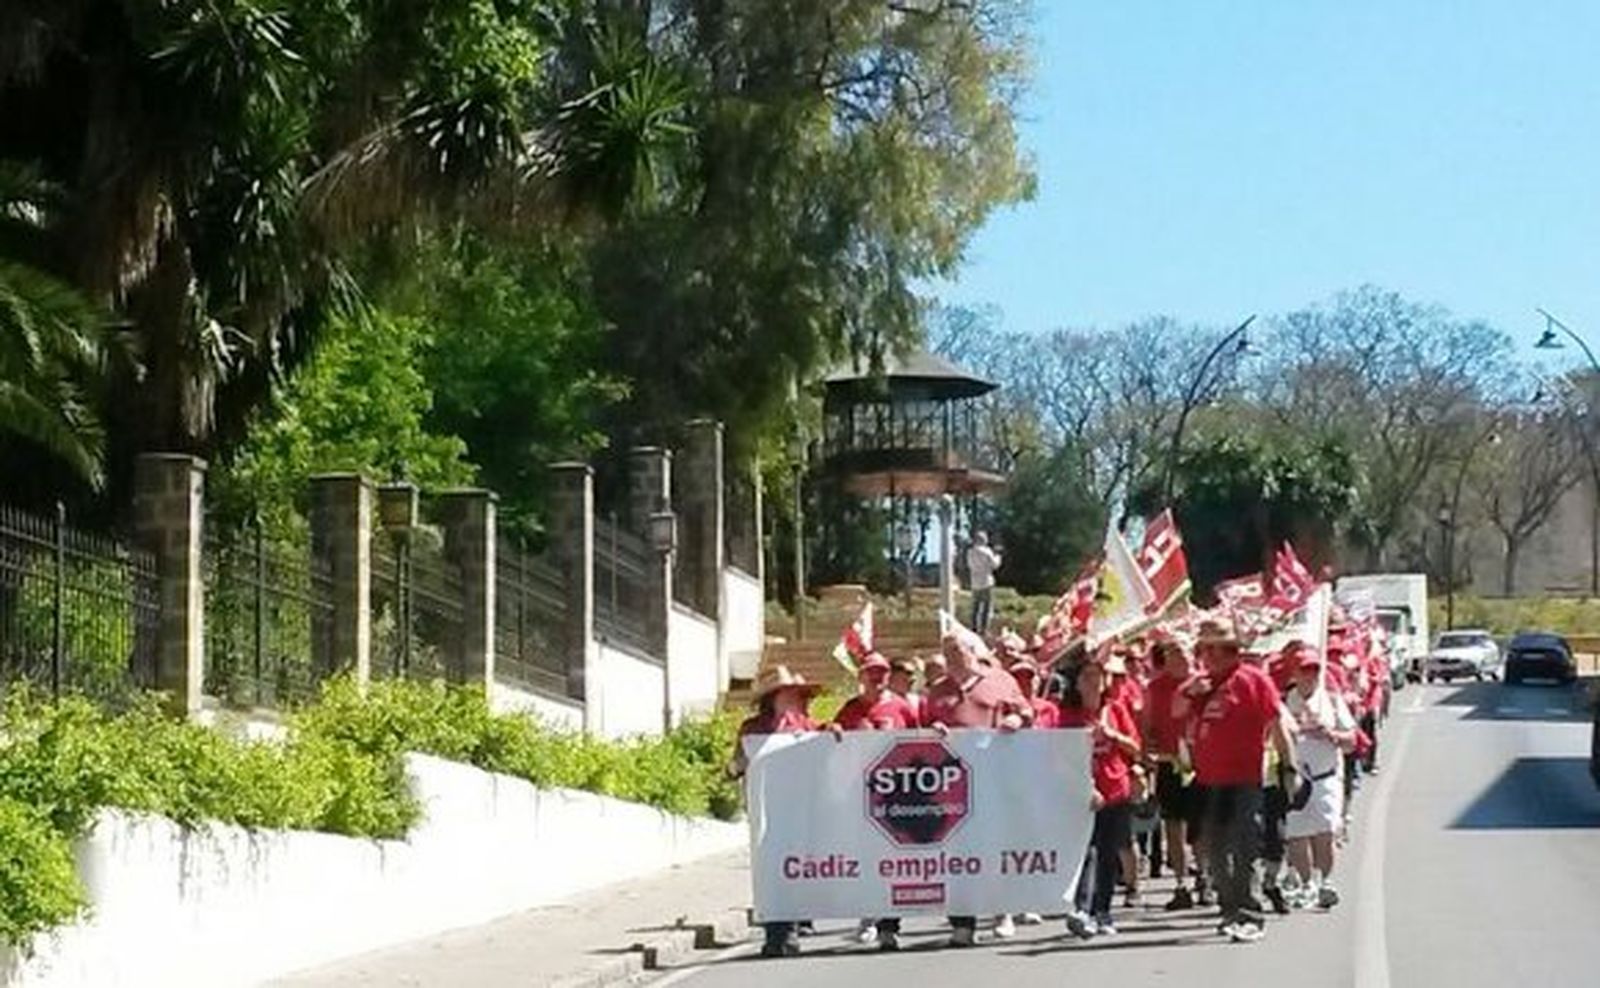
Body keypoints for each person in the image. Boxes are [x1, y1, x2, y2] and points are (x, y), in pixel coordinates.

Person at [1176, 618, 1298, 944]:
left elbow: (1277, 725)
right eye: (1209, 649)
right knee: (1215, 851)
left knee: (1245, 847)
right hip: (1207, 779)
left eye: (1224, 649)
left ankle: (1249, 913)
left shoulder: (1254, 680)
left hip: (1245, 779)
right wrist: (1190, 692)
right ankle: (1229, 910)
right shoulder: (1198, 685)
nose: (1215, 656)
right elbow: (1175, 711)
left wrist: (1290, 767)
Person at [924, 629, 1033, 947]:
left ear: (973, 651)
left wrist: (1017, 721)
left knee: (996, 845)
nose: (952, 657)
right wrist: (933, 729)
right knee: (958, 853)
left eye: (957, 650)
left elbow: (1027, 710)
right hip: (952, 783)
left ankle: (1003, 911)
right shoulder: (937, 691)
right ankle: (962, 923)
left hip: (995, 776)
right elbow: (923, 726)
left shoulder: (1000, 680)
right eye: (947, 652)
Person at [731, 665, 823, 958]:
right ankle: (777, 932)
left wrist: (833, 733)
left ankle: (790, 928)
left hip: (799, 807)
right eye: (789, 692)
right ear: (773, 697)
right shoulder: (752, 729)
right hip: (766, 809)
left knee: (793, 867)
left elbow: (826, 746)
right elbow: (735, 765)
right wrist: (738, 765)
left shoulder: (804, 725)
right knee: (771, 869)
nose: (795, 697)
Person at [830, 652, 919, 951]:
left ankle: (889, 928)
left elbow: (919, 742)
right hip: (858, 796)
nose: (877, 678)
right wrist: (832, 731)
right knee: (866, 861)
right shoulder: (850, 709)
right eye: (871, 672)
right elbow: (832, 743)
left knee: (892, 863)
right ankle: (868, 916)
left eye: (882, 673)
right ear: (861, 676)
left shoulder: (901, 707)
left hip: (895, 797)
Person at [1058, 653, 1142, 938]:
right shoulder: (1067, 716)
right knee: (1086, 852)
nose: (1094, 682)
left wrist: (1113, 735)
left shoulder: (1115, 709)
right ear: (1077, 683)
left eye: (1099, 676)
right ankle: (1082, 909)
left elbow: (1135, 747)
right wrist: (1085, 787)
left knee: (1108, 853)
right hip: (1082, 794)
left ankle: (1103, 911)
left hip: (1115, 790)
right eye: (1087, 676)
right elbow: (1060, 758)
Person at [1282, 645, 1358, 909]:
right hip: (1295, 779)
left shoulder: (1332, 701)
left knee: (1324, 832)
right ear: (1294, 673)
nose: (1310, 675)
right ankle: (1307, 884)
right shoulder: (1283, 702)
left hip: (1326, 777)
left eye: (1314, 669)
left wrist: (1331, 734)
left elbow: (1351, 741)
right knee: (1297, 835)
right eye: (1304, 669)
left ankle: (1325, 882)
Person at [1145, 635, 1200, 910]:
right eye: (1172, 653)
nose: (1179, 657)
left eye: (1182, 651)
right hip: (1169, 762)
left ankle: (1205, 877)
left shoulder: (1202, 683)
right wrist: (1146, 757)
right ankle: (1181, 883)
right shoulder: (1155, 688)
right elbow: (1147, 725)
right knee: (1173, 826)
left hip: (1201, 763)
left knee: (1201, 826)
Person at [966, 531, 1002, 635]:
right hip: (986, 582)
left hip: (975, 583)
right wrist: (998, 556)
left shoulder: (970, 552)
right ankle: (984, 629)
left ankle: (973, 628)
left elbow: (969, 566)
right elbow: (994, 565)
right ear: (983, 540)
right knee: (986, 608)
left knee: (975, 608)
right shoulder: (987, 552)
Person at [887, 656, 926, 725]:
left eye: (912, 681)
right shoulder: (882, 701)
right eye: (904, 679)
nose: (911, 679)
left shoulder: (918, 702)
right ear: (891, 678)